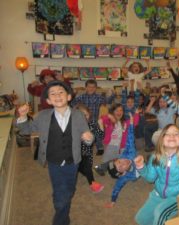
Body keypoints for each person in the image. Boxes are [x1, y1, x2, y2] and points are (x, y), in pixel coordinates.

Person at [17, 80, 94, 225]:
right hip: (54, 161)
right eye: (53, 94)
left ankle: (60, 198)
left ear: (69, 96)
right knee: (61, 195)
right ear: (48, 100)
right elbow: (27, 130)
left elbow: (87, 136)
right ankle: (60, 219)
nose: (57, 95)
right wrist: (22, 117)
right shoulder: (43, 116)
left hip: (73, 161)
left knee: (69, 190)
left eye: (61, 92)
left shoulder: (78, 115)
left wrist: (89, 138)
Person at [104, 114, 140, 208]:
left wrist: (131, 123)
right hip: (134, 175)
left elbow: (130, 138)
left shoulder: (127, 153)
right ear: (123, 173)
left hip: (135, 158)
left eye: (119, 161)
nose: (122, 163)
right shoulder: (125, 177)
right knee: (136, 176)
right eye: (121, 167)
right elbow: (117, 188)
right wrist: (112, 201)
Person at [71, 79, 114, 155]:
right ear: (86, 88)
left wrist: (111, 94)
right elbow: (73, 103)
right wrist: (73, 94)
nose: (91, 88)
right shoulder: (82, 97)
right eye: (89, 87)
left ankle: (100, 148)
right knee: (84, 134)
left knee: (97, 134)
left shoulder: (99, 97)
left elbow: (108, 101)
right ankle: (83, 147)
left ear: (96, 88)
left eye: (93, 87)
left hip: (95, 119)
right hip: (84, 120)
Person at [94, 104, 140, 176]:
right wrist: (109, 116)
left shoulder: (124, 123)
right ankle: (102, 168)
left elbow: (134, 122)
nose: (119, 112)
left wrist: (137, 114)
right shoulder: (109, 121)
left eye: (121, 110)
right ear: (113, 112)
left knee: (126, 158)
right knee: (107, 157)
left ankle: (128, 169)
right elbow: (101, 119)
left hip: (122, 146)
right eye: (117, 110)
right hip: (111, 144)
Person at [74, 103, 104, 193]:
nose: (84, 117)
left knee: (87, 168)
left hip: (87, 153)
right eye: (80, 115)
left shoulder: (92, 124)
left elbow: (101, 135)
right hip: (74, 153)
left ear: (89, 114)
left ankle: (92, 182)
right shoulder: (72, 126)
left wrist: (101, 125)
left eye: (85, 115)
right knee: (79, 168)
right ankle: (91, 182)